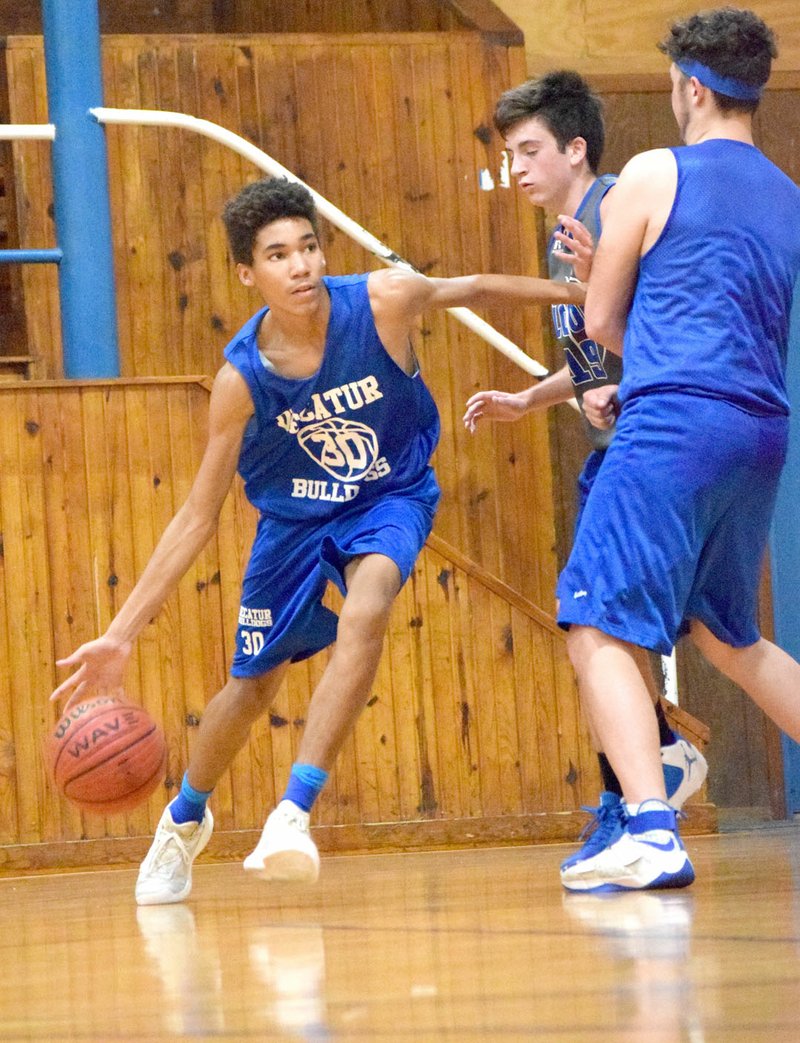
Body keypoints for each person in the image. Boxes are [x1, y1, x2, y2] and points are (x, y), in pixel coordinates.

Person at [51, 176, 585, 906]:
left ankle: (292, 813)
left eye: (308, 246)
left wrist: (586, 293)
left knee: (368, 608)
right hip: (293, 524)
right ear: (247, 272)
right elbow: (197, 516)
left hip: (389, 493)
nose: (300, 265)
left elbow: (477, 286)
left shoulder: (383, 300)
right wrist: (120, 633)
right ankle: (182, 823)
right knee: (249, 688)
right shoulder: (241, 380)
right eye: (277, 255)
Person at [558, 7, 800, 892]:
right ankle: (652, 825)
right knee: (729, 635)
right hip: (760, 428)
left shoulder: (656, 170)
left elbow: (601, 319)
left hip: (675, 423)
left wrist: (608, 301)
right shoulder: (787, 193)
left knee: (594, 622)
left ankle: (652, 829)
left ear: (692, 88)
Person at [462, 70, 708, 866]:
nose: (519, 166)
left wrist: (620, 374)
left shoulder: (617, 211)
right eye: (510, 153)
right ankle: (643, 774)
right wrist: (528, 400)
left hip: (671, 443)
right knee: (616, 622)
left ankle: (647, 783)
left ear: (576, 148)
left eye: (531, 149)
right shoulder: (563, 233)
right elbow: (592, 357)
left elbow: (660, 334)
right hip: (625, 446)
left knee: (600, 614)